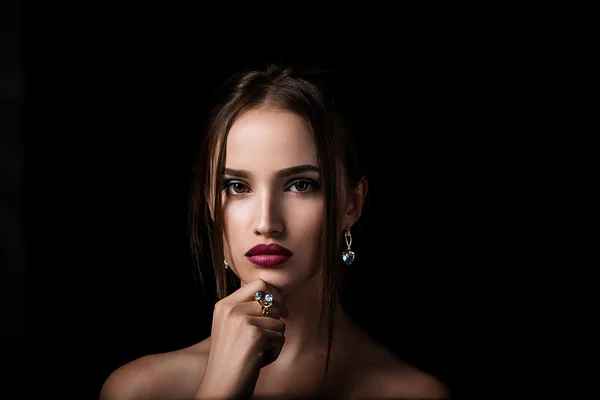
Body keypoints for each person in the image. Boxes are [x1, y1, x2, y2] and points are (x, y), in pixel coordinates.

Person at [99, 63, 450, 400]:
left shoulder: (411, 393)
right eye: (237, 186)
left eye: (300, 185)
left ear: (351, 205)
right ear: (210, 204)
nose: (267, 222)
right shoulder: (139, 390)